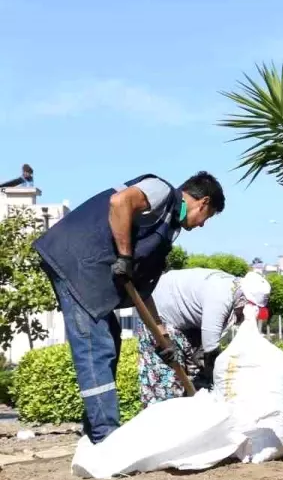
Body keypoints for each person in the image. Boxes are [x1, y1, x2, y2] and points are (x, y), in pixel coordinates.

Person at [33, 172, 225, 443]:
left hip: (85, 270)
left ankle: (95, 433)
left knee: (110, 337)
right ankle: (105, 438)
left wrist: (161, 335)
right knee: (96, 345)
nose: (203, 225)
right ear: (203, 202)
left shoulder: (166, 229)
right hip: (75, 261)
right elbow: (120, 202)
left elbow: (142, 290)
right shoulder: (162, 191)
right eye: (209, 216)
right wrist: (124, 256)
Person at [139, 268, 273, 405]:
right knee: (168, 381)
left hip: (187, 324)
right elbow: (211, 348)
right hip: (159, 316)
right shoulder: (221, 297)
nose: (242, 318)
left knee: (197, 381)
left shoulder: (233, 290)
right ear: (243, 301)